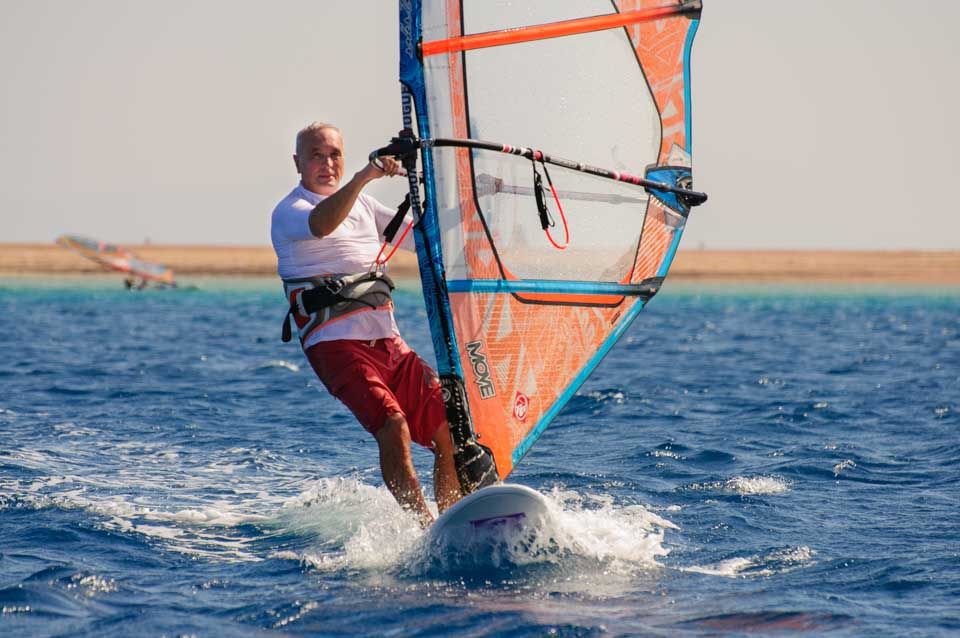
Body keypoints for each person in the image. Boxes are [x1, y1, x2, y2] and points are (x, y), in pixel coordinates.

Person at [270, 122, 462, 527]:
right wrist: (364, 176)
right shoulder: (290, 211)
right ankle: (423, 527)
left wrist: (472, 197)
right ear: (298, 163)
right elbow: (322, 224)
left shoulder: (366, 207)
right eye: (317, 156)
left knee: (450, 427)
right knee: (393, 425)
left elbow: (425, 240)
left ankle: (453, 522)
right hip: (335, 345)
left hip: (389, 342)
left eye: (334, 155)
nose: (327, 163)